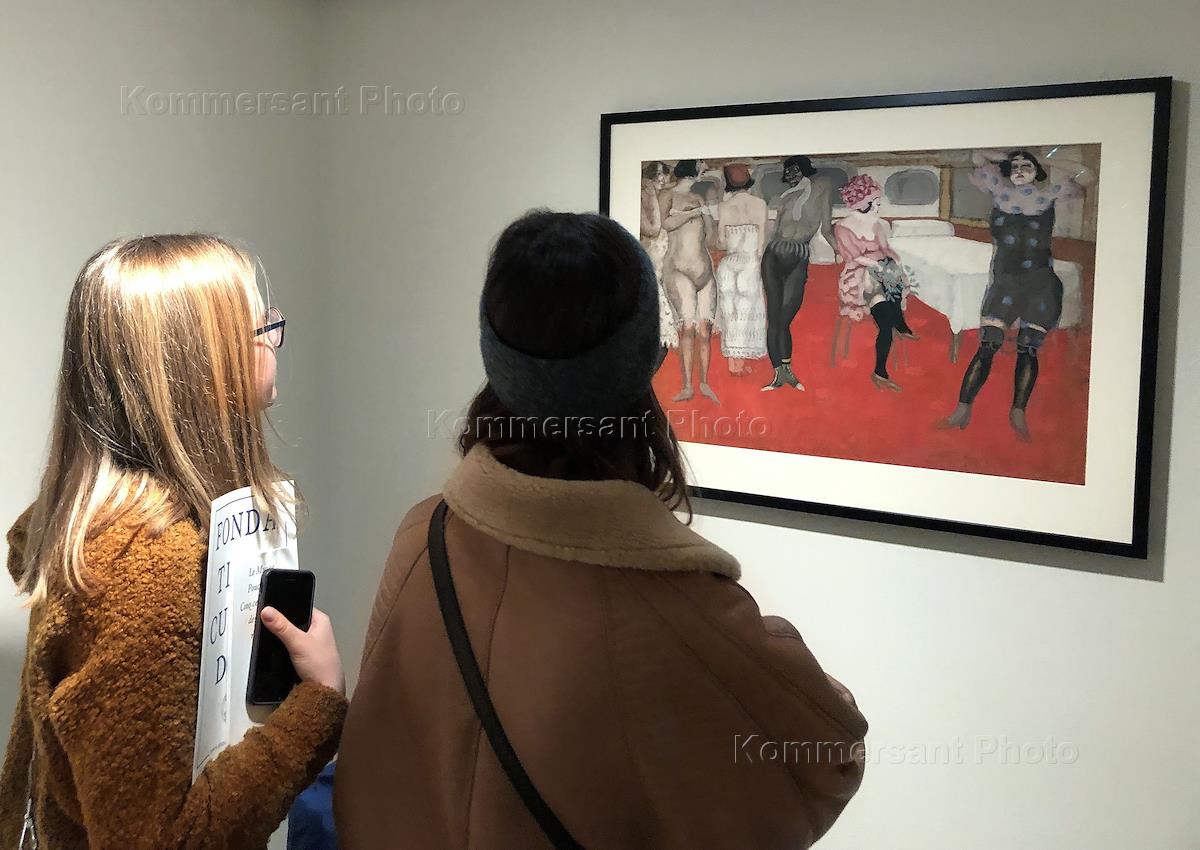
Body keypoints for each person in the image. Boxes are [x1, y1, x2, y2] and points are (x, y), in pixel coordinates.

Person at [335, 211, 868, 850]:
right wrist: (780, 651)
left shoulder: (423, 536)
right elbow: (826, 759)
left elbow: (376, 768)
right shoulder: (684, 611)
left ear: (494, 353)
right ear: (644, 356)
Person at [0, 235, 347, 850]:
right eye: (260, 326)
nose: (273, 337)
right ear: (206, 364)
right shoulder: (141, 569)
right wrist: (316, 705)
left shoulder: (110, 536)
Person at [937, 148, 1094, 439]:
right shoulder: (1000, 191)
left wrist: (1042, 158)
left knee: (1027, 349)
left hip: (1040, 284)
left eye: (1027, 166)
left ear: (1037, 171)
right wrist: (1011, 158)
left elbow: (1087, 176)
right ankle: (962, 409)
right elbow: (978, 156)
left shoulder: (1049, 195)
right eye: (1016, 166)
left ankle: (1018, 412)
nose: (1020, 170)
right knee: (987, 346)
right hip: (1004, 283)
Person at [833, 175, 918, 392]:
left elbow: (885, 249)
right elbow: (853, 257)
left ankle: (898, 324)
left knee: (892, 276)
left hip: (884, 272)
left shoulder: (878, 225)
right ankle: (881, 370)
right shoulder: (843, 227)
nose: (879, 208)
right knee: (885, 317)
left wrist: (895, 261)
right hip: (860, 276)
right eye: (876, 203)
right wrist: (878, 265)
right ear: (863, 204)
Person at [761, 155, 837, 392]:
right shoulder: (785, 197)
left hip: (799, 255)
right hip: (773, 256)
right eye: (787, 172)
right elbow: (774, 233)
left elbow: (827, 229)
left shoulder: (823, 187)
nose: (790, 176)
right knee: (774, 320)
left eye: (794, 170)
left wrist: (841, 252)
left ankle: (787, 371)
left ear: (805, 169)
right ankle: (779, 374)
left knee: (784, 319)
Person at [662, 159, 720, 403]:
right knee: (687, 328)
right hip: (678, 269)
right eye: (700, 166)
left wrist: (707, 216)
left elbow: (712, 239)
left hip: (704, 272)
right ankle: (687, 387)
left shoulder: (699, 198)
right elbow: (665, 224)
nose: (703, 169)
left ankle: (704, 383)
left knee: (704, 331)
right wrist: (693, 213)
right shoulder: (668, 195)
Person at [714, 163, 769, 376]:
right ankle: (741, 361)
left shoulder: (724, 207)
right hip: (749, 262)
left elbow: (720, 242)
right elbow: (761, 243)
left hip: (729, 263)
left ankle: (733, 363)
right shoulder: (760, 204)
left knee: (730, 311)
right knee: (747, 313)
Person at [640, 160, 679, 351]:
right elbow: (653, 230)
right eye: (656, 174)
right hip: (649, 273)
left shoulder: (661, 194)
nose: (662, 178)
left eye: (664, 173)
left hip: (661, 271)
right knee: (660, 329)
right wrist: (652, 198)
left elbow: (673, 184)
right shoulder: (643, 200)